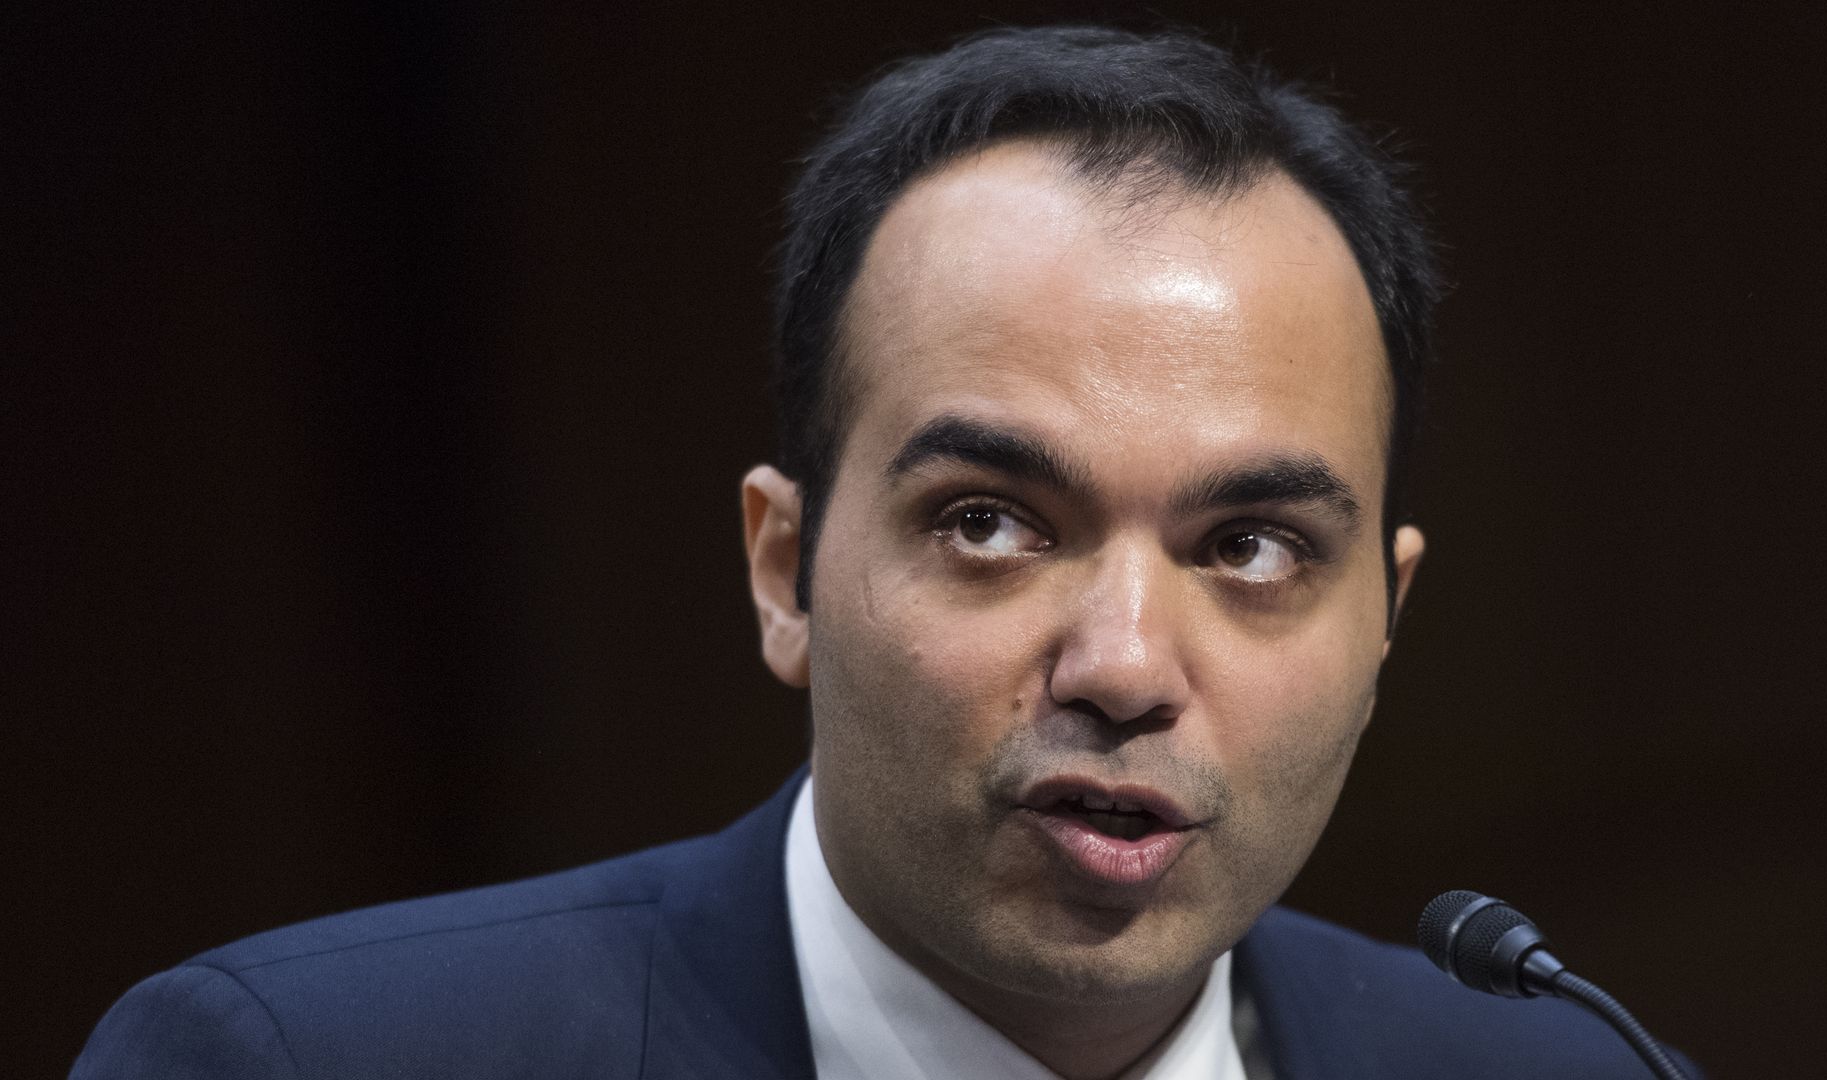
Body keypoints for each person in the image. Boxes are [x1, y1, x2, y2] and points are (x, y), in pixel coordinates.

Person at [73, 26, 1683, 1079]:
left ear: (1386, 620)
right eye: (991, 524)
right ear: (784, 570)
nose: (1123, 665)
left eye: (1251, 545)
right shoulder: (301, 1062)